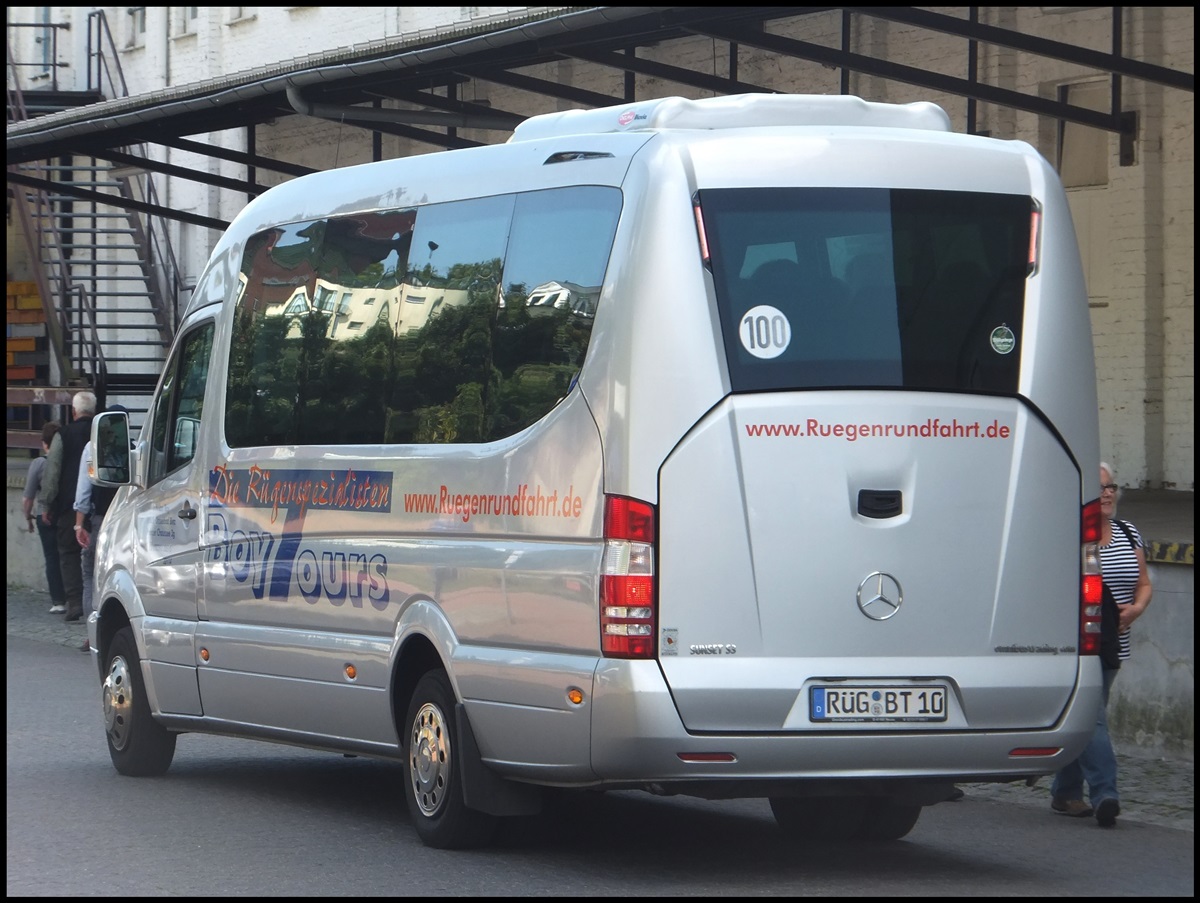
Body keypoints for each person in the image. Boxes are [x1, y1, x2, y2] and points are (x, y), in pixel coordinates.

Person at [1050, 461, 1153, 828]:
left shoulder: (1128, 532)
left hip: (1114, 641)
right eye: (1100, 488)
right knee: (1093, 717)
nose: (1107, 494)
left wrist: (1137, 609)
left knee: (1090, 715)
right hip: (1080, 641)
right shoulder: (1074, 535)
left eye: (1110, 487)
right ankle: (1106, 791)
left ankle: (1064, 791)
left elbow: (1143, 582)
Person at [36, 390, 97, 624]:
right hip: (100, 501)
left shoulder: (63, 434)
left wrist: (47, 503)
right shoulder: (101, 430)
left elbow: (52, 472)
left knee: (68, 553)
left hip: (69, 505)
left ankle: (74, 602)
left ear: (73, 411)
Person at [73, 405, 127, 651]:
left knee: (90, 575)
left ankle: (91, 633)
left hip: (100, 519)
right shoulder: (133, 447)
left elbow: (84, 491)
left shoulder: (92, 448)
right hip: (125, 520)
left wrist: (78, 524)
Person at [21, 421, 66, 613]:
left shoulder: (39, 463)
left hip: (44, 514)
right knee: (67, 556)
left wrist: (28, 517)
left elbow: (28, 497)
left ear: (44, 443)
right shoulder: (68, 461)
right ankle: (74, 595)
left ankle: (58, 600)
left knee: (51, 557)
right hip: (65, 513)